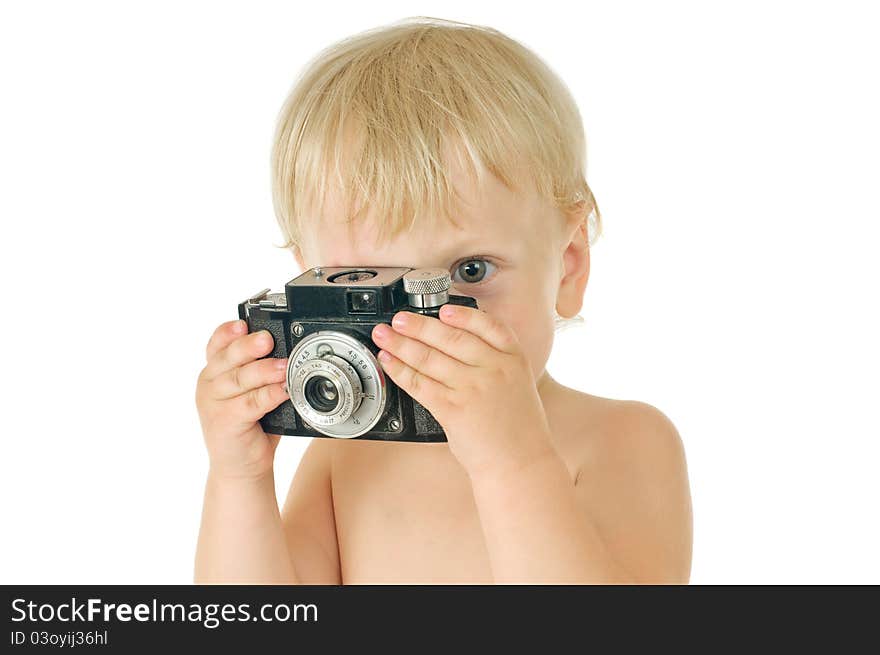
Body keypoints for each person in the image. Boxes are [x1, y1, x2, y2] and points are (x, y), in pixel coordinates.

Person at [194, 17, 692, 584]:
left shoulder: (622, 441)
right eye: (372, 282)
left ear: (568, 265)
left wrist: (512, 461)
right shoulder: (342, 459)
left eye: (471, 270)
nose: (421, 325)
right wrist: (239, 481)